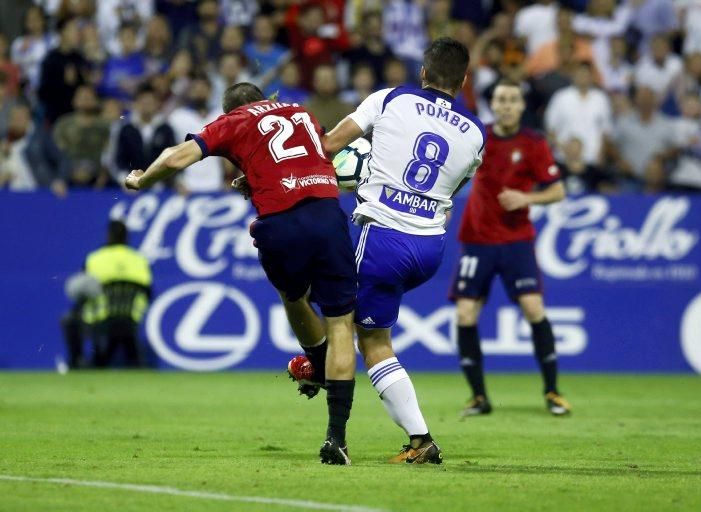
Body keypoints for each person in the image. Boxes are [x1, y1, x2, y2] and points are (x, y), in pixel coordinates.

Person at [124, 82, 358, 466]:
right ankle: (337, 438)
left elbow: (174, 159)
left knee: (293, 296)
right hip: (327, 215)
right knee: (340, 325)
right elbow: (302, 159)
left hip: (280, 224)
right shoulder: (301, 111)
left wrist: (140, 180)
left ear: (230, 108)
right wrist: (255, 175)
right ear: (264, 98)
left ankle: (316, 365)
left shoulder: (234, 121)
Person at [322, 37, 485, 464]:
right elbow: (453, 191)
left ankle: (418, 439)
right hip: (430, 247)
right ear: (464, 80)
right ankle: (416, 439)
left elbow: (328, 146)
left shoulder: (391, 98)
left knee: (363, 335)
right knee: (369, 332)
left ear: (424, 73)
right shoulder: (475, 132)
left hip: (383, 238)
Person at [449, 80, 570, 417]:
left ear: (521, 105)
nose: (506, 105)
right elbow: (454, 172)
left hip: (517, 240)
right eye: (500, 99)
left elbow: (557, 191)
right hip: (477, 239)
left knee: (533, 308)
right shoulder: (478, 136)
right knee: (465, 313)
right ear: (494, 105)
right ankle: (478, 397)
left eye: (512, 99)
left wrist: (526, 197)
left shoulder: (533, 143)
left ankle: (553, 392)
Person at [83, 221, 152, 368]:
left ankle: (77, 362)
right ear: (126, 237)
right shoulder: (139, 259)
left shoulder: (94, 258)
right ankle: (133, 363)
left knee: (70, 319)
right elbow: (148, 292)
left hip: (100, 317)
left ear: (108, 235)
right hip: (131, 317)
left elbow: (84, 289)